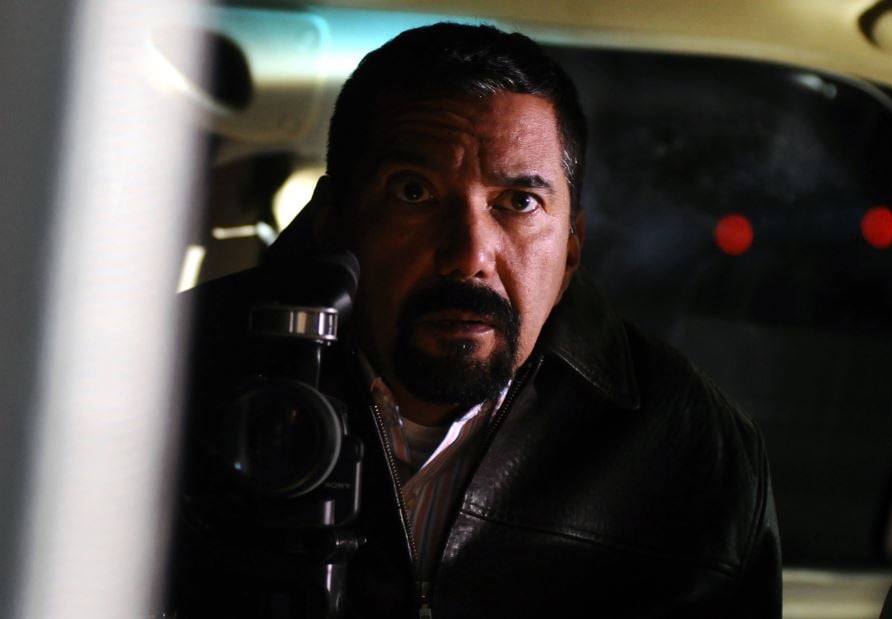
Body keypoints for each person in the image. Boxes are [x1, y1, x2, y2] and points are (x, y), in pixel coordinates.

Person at [172, 22, 781, 618]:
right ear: (334, 221)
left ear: (571, 249)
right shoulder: (163, 377)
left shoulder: (694, 449)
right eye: (414, 193)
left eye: (519, 202)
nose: (469, 256)